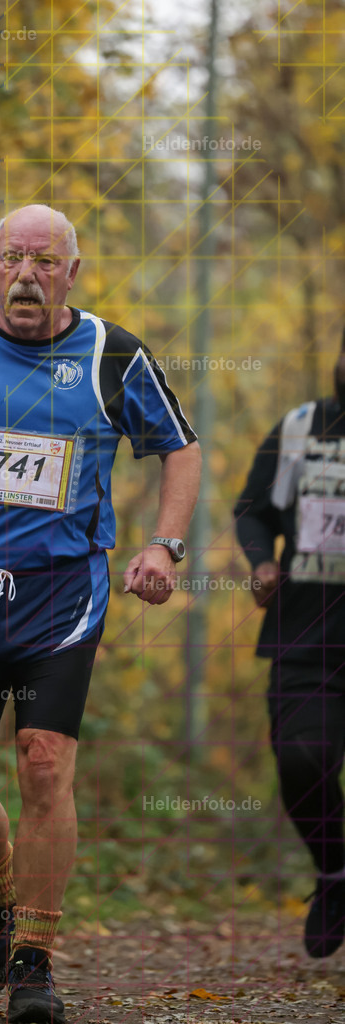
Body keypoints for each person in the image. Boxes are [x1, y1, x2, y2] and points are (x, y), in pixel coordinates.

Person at [0, 204, 201, 1023]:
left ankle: (35, 961)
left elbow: (180, 449)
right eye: (13, 258)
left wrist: (163, 545)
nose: (27, 275)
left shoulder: (112, 354)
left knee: (45, 762)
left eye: (45, 261)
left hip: (63, 595)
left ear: (72, 273)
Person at [235, 332, 345, 959]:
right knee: (303, 763)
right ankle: (334, 874)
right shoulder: (303, 428)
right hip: (308, 636)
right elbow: (251, 508)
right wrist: (261, 561)